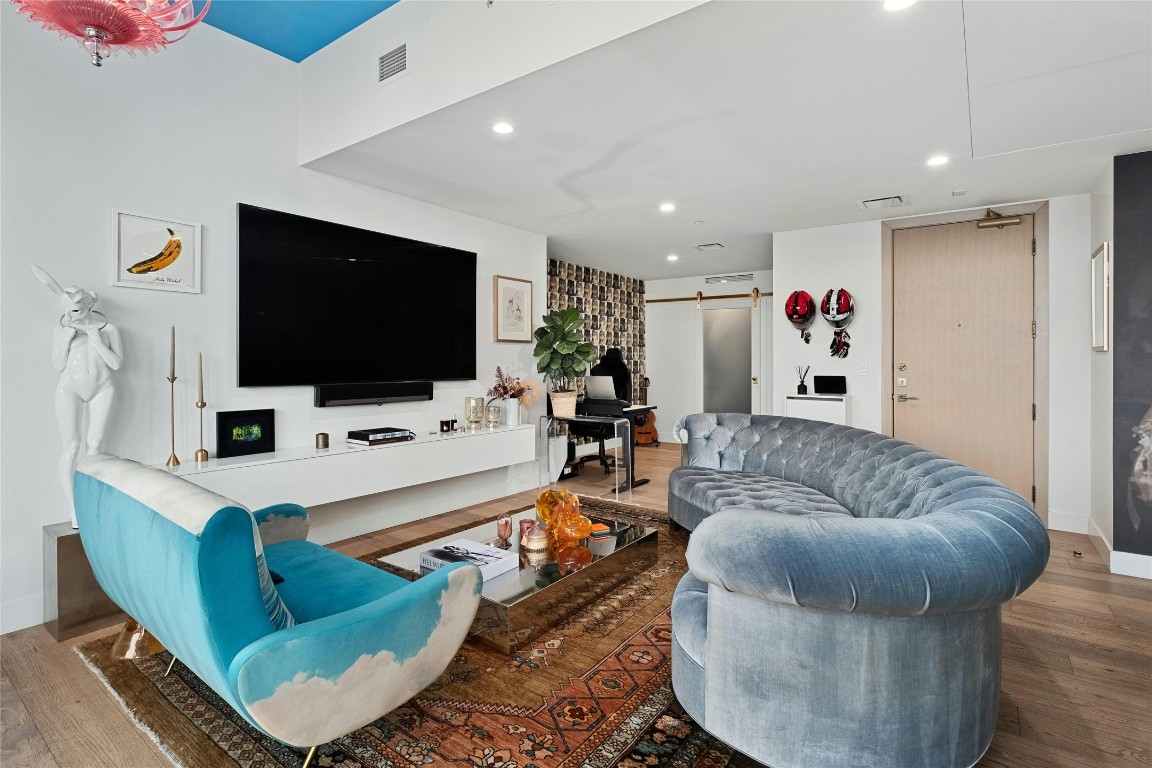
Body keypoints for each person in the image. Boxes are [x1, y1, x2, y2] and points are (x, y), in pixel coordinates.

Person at [33, 265, 124, 527]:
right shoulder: (61, 329)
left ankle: (93, 504)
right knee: (71, 446)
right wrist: (66, 338)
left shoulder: (108, 329)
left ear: (88, 307)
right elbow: (57, 365)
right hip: (69, 388)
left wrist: (96, 341)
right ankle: (73, 508)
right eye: (66, 311)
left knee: (95, 446)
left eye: (75, 310)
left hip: (102, 388)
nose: (69, 316)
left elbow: (117, 365)